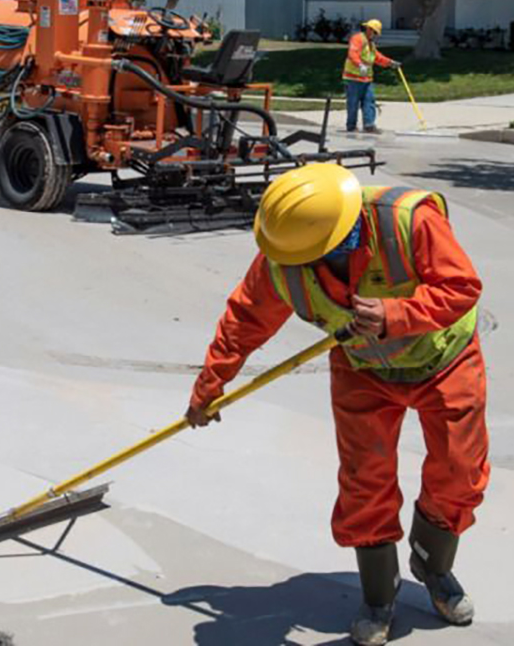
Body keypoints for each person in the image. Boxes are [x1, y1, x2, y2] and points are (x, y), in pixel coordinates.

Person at [186, 164, 488, 646]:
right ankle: (378, 594)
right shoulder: (286, 251)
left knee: (459, 470)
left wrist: (395, 313)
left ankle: (433, 567)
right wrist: (210, 385)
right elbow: (245, 318)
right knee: (364, 481)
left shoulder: (407, 220)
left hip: (443, 360)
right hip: (362, 369)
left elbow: (462, 287)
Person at [343, 19, 401, 133]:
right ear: (369, 29)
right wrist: (360, 65)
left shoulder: (371, 44)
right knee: (353, 103)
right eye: (375, 32)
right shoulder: (358, 38)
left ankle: (369, 125)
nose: (375, 35)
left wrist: (390, 62)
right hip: (353, 78)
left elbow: (377, 57)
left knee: (369, 101)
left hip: (366, 79)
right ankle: (351, 126)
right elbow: (352, 53)